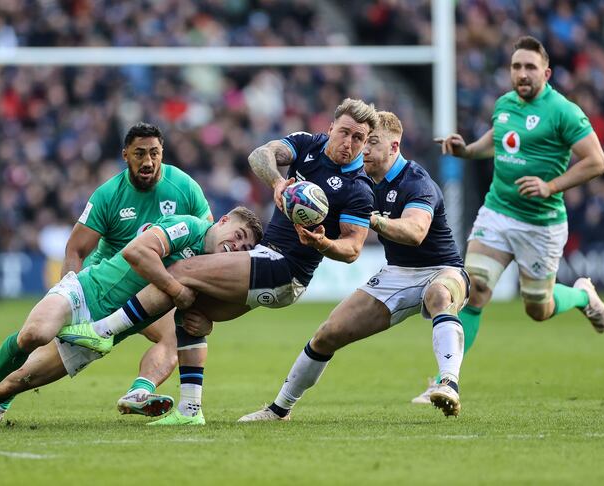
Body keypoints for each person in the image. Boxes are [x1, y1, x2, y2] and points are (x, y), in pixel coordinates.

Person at [58, 98, 378, 425]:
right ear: (331, 128)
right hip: (268, 261)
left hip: (284, 267)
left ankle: (101, 330)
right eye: (345, 133)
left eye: (359, 139)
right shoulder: (308, 145)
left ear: (366, 144)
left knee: (179, 272)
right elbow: (260, 155)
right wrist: (277, 182)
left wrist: (323, 242)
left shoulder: (358, 189)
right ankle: (190, 410)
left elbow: (352, 249)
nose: (349, 143)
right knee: (189, 308)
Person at [0, 207, 260, 429]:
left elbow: (200, 319)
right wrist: (178, 291)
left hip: (99, 335)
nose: (237, 246)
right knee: (33, 334)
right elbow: (137, 253)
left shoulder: (211, 268)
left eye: (245, 248)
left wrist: (205, 320)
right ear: (223, 220)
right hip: (85, 291)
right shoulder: (190, 226)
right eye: (238, 235)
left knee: (15, 382)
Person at [0, 122, 213, 424]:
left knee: (172, 339)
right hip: (104, 293)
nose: (148, 161)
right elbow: (75, 250)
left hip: (150, 290)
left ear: (162, 152)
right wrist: (68, 300)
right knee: (29, 373)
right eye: (140, 154)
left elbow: (207, 235)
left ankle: (140, 391)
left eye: (154, 153)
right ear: (125, 155)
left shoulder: (184, 187)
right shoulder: (109, 194)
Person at [413, 35, 604, 403]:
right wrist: (467, 150)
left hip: (541, 223)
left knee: (538, 308)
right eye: (516, 66)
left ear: (546, 73)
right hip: (498, 213)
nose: (522, 73)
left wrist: (551, 185)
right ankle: (446, 380)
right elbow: (499, 138)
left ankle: (582, 295)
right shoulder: (504, 104)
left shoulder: (564, 111)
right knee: (474, 291)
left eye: (530, 67)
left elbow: (597, 161)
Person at [237, 111, 469, 421]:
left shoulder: (416, 181)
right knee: (327, 334)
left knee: (439, 295)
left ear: (394, 146)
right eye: (363, 142)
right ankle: (279, 410)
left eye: (373, 142)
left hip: (443, 270)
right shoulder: (361, 183)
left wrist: (371, 219)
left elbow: (415, 232)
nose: (365, 150)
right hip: (395, 274)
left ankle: (449, 383)